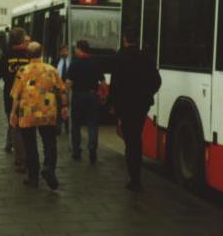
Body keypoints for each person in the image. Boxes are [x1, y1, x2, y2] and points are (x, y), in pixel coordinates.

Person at [109, 26, 161, 192]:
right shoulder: (146, 57)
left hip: (125, 106)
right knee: (136, 138)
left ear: (124, 40)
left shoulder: (119, 57)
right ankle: (136, 177)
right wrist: (147, 95)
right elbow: (156, 81)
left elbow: (115, 85)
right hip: (141, 105)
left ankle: (134, 179)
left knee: (130, 140)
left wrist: (114, 106)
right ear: (136, 40)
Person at [10, 41, 68, 189]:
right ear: (41, 53)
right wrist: (65, 107)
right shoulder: (51, 69)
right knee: (50, 143)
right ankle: (49, 168)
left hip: (27, 113)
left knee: (30, 145)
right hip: (47, 112)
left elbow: (16, 95)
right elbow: (62, 90)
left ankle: (33, 178)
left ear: (27, 55)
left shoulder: (23, 71)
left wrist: (13, 113)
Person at [0, 27, 31, 167]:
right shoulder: (29, 55)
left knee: (14, 123)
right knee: (26, 125)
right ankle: (27, 154)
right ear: (23, 39)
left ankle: (20, 157)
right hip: (28, 95)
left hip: (10, 94)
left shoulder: (6, 54)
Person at [66, 39, 105, 164]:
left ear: (79, 49)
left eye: (76, 49)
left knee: (76, 124)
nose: (75, 51)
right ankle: (92, 148)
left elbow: (69, 83)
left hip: (78, 96)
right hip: (92, 96)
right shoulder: (96, 62)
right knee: (92, 124)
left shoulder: (75, 63)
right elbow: (103, 82)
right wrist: (102, 95)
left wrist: (64, 94)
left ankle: (76, 151)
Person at [54, 44, 71, 135]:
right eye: (63, 51)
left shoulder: (71, 61)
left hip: (69, 88)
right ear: (60, 52)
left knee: (68, 108)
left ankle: (68, 128)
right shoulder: (56, 61)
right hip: (58, 88)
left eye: (66, 51)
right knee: (58, 108)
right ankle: (58, 128)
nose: (64, 53)